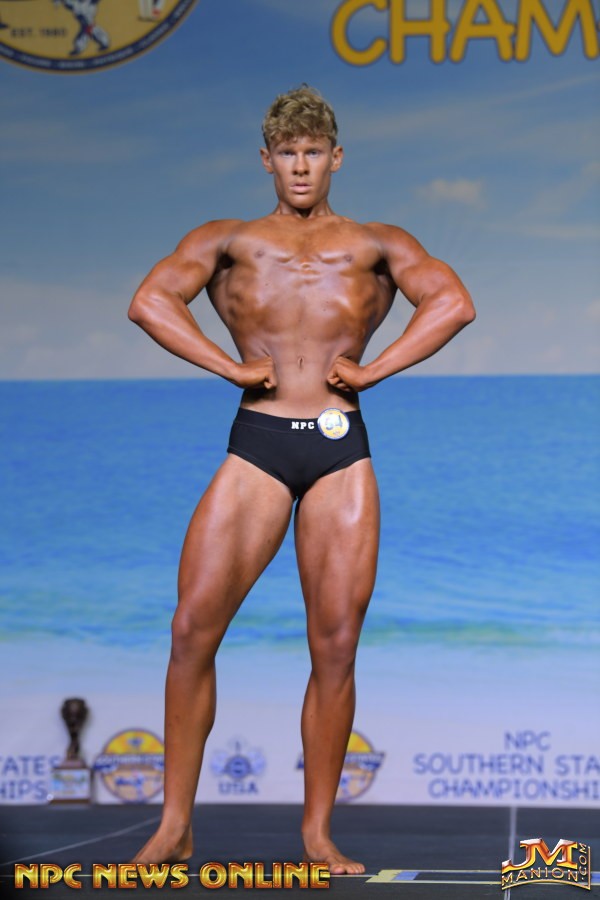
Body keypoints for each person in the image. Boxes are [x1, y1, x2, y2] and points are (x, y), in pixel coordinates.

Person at [128, 85, 475, 874]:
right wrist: (227, 367)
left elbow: (453, 302)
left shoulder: (376, 243)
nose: (301, 166)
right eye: (287, 153)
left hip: (340, 452)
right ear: (267, 160)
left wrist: (377, 370)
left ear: (336, 158)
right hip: (257, 444)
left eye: (314, 152)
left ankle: (317, 835)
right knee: (191, 630)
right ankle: (174, 826)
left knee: (336, 644)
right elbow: (150, 302)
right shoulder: (229, 239)